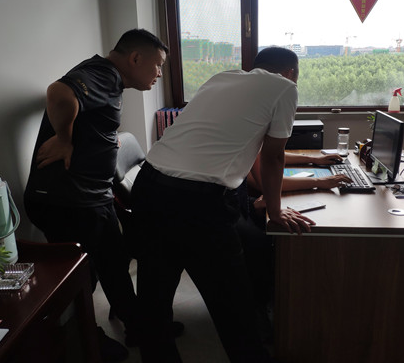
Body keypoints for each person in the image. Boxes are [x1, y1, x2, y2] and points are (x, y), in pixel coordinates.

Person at [127, 47, 314, 363]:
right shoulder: (285, 88)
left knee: (154, 298)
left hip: (149, 185)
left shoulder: (222, 78)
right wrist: (275, 210)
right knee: (234, 306)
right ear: (291, 73)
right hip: (198, 203)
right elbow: (273, 156)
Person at [23, 29, 168, 362]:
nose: (159, 74)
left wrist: (102, 137)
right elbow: (59, 92)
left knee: (114, 262)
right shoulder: (103, 74)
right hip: (66, 201)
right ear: (135, 58)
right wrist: (63, 138)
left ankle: (137, 325)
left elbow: (87, 113)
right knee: (81, 277)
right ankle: (85, 339)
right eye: (158, 65)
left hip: (91, 196)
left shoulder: (109, 80)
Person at [236, 151, 351, 342]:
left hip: (236, 197)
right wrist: (319, 182)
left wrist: (313, 159)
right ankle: (258, 308)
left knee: (267, 224)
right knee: (259, 242)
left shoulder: (251, 139)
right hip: (220, 201)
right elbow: (266, 176)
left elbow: (269, 154)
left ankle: (273, 297)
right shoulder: (245, 136)